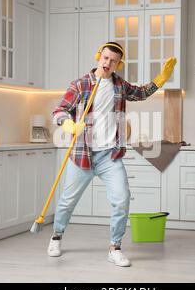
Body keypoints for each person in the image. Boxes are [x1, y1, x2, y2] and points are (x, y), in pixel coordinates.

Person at [49, 42, 177, 267]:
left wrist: (161, 79)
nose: (107, 63)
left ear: (119, 64)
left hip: (110, 155)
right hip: (83, 155)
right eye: (105, 58)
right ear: (99, 56)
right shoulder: (80, 85)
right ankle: (56, 236)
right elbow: (59, 111)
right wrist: (68, 124)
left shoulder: (120, 85)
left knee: (121, 200)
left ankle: (114, 248)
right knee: (68, 201)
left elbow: (141, 93)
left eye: (113, 60)